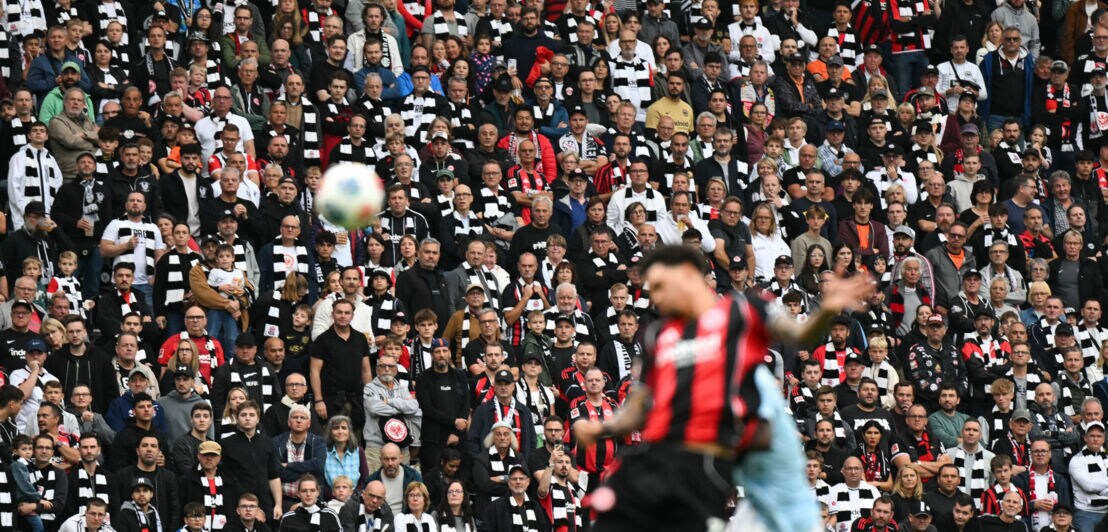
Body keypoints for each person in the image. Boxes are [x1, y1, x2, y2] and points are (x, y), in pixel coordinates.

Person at [574, 245, 873, 530]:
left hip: (702, 463)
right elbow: (641, 401)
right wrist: (603, 428)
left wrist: (827, 310)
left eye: (662, 286)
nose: (657, 297)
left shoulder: (741, 310)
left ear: (689, 275)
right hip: (650, 456)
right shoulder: (657, 334)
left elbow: (798, 331)